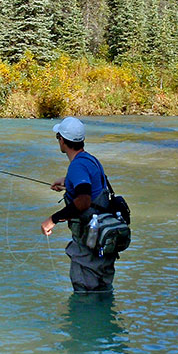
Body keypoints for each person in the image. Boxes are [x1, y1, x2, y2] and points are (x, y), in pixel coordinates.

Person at [41, 116, 117, 293]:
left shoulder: (77, 167)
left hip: (88, 252)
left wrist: (52, 220)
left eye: (58, 137)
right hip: (103, 248)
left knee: (85, 297)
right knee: (102, 294)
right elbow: (93, 188)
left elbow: (84, 201)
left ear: (62, 140)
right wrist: (67, 182)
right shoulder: (91, 161)